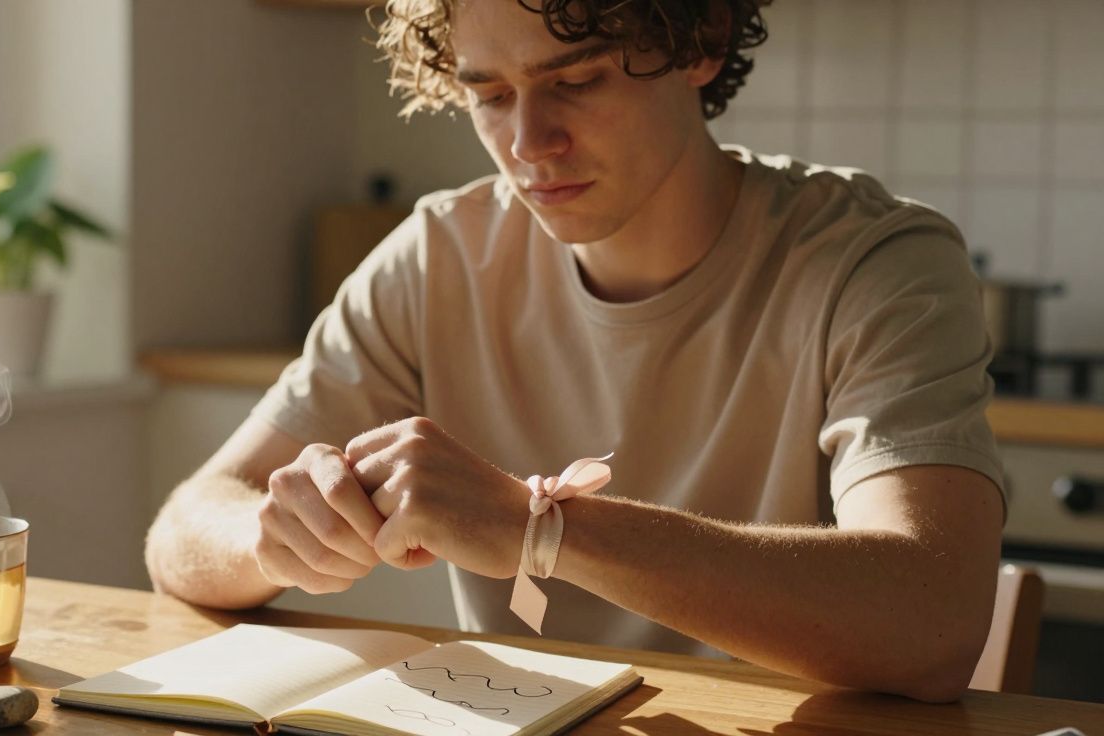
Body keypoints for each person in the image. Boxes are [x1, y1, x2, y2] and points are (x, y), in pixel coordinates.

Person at [145, 0, 1005, 703]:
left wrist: (538, 529)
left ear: (701, 42)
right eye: (489, 95)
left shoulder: (875, 264)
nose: (529, 143)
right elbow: (184, 526)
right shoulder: (438, 255)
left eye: (579, 79)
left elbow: (931, 621)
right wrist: (271, 537)